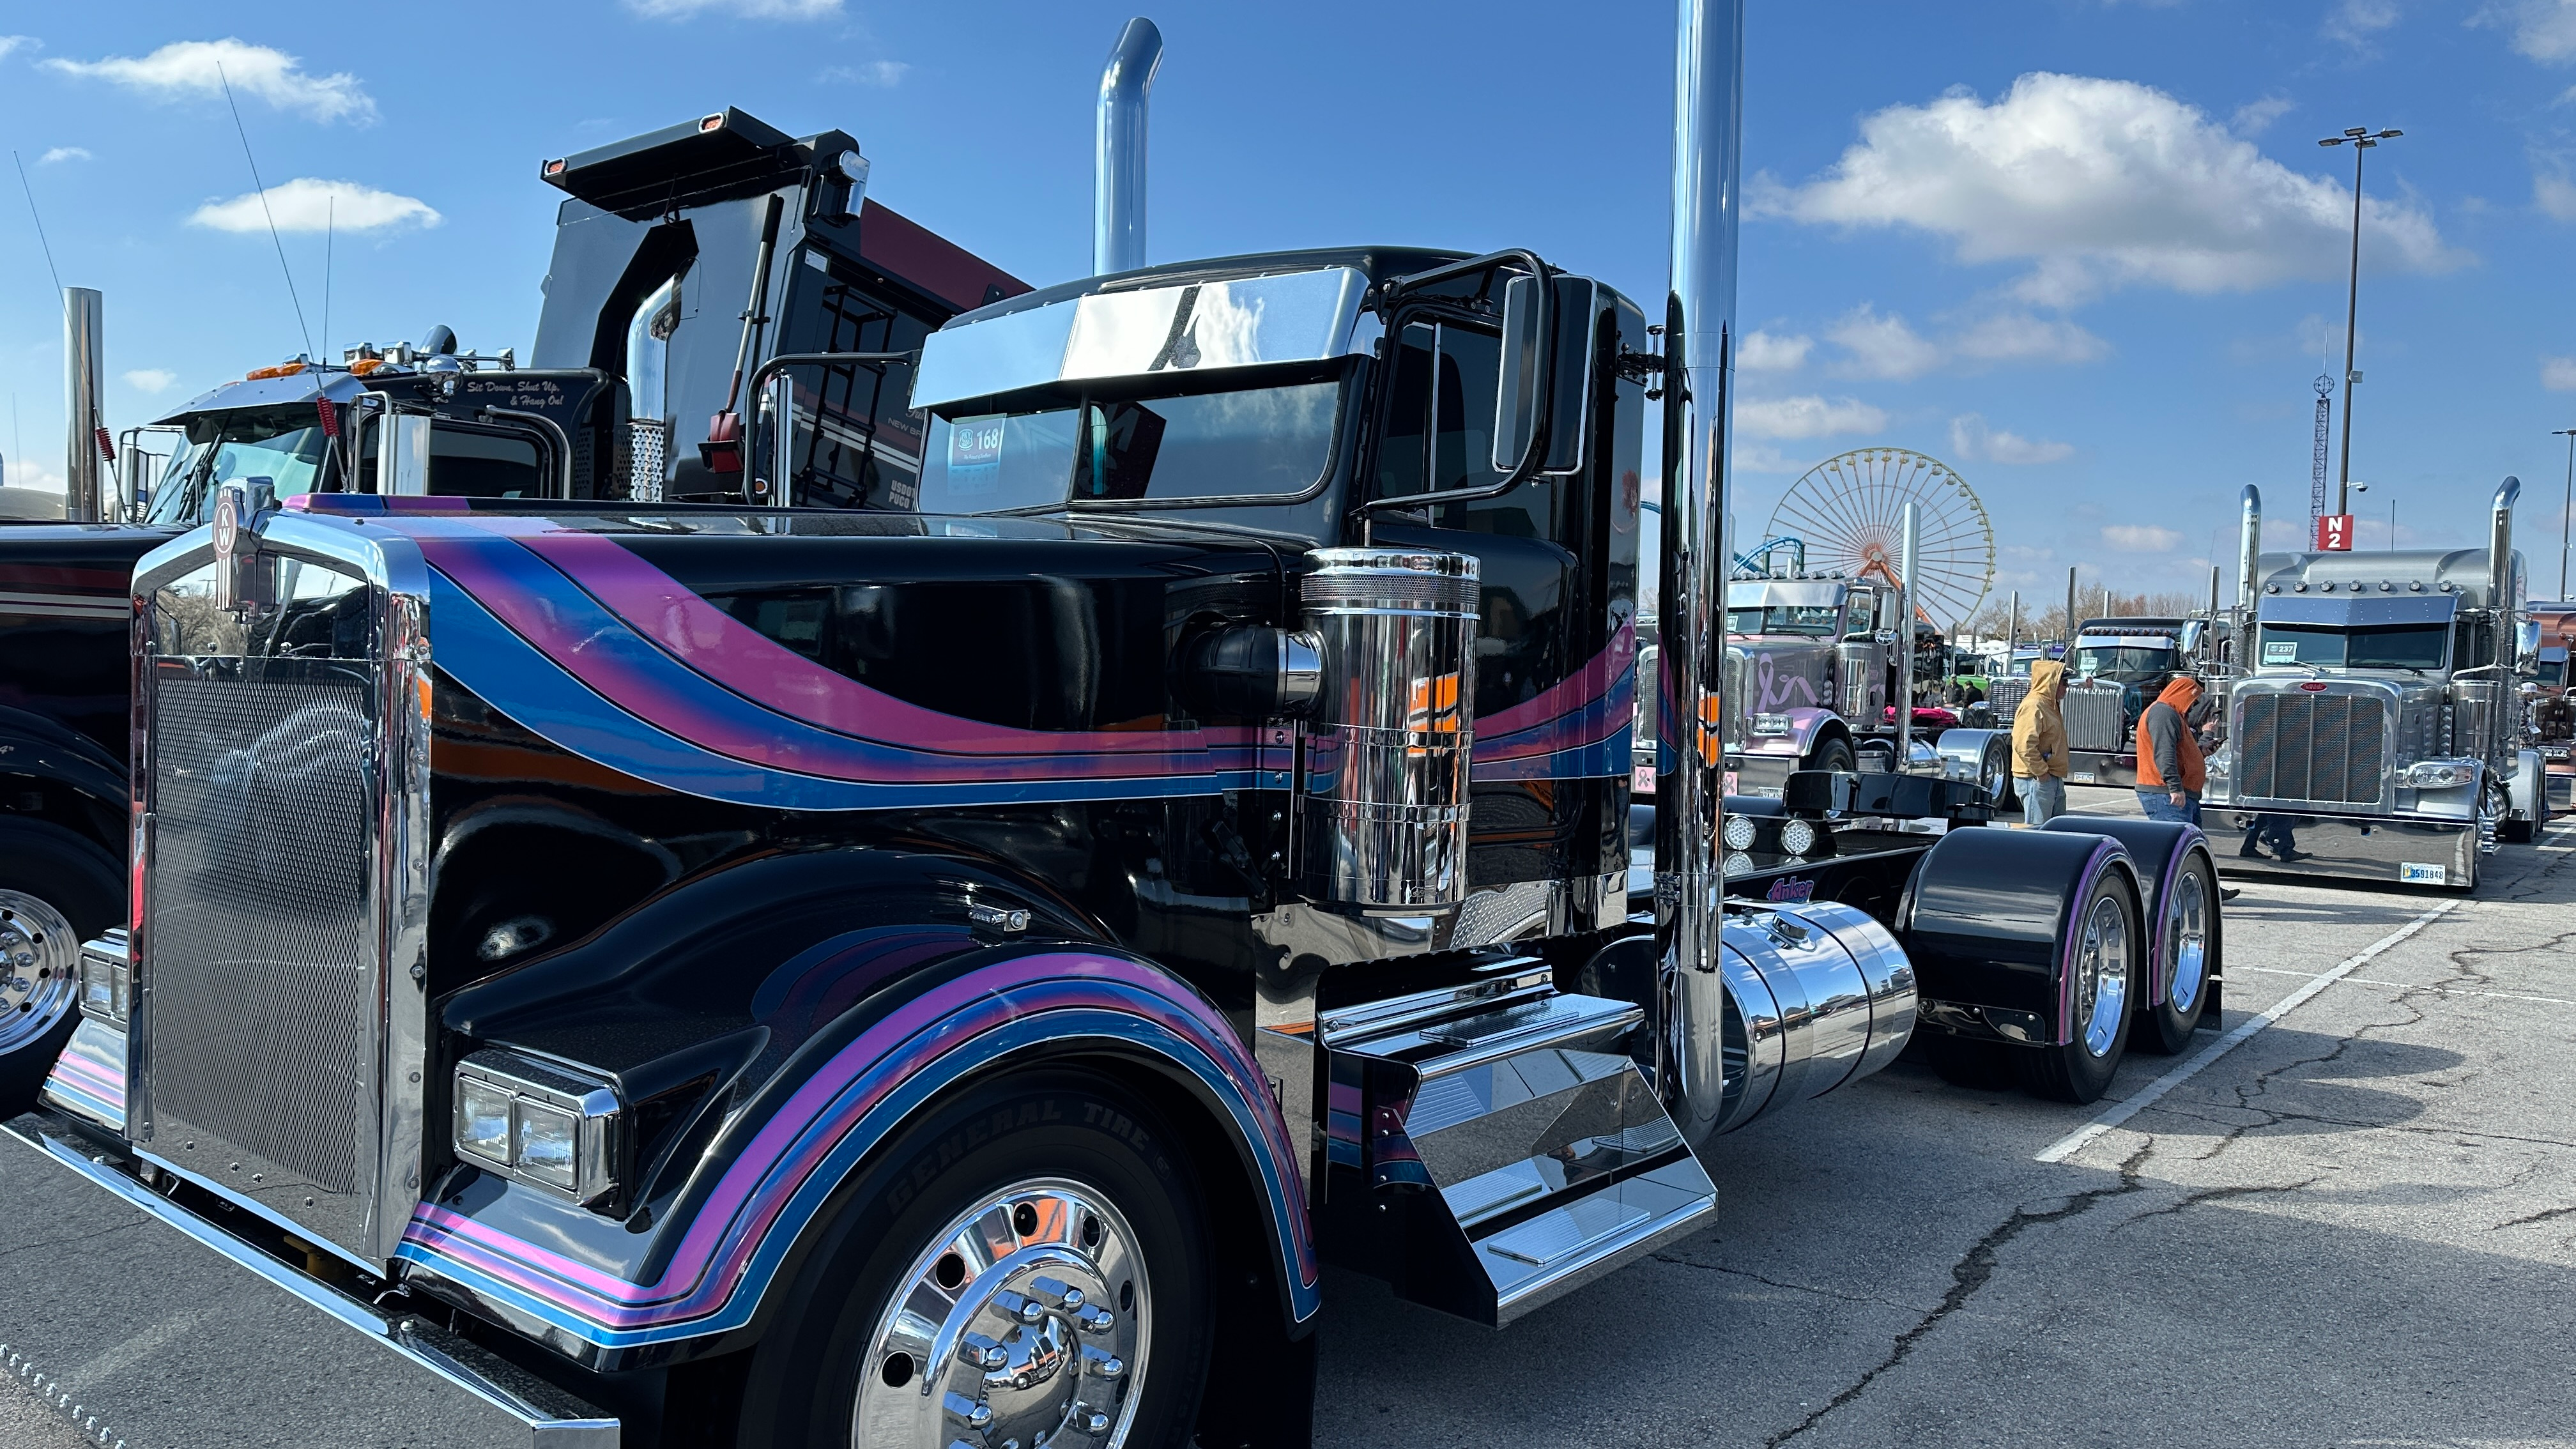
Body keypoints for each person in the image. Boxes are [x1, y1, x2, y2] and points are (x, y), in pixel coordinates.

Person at [2135, 675, 2206, 824]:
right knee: (2176, 845)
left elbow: (2180, 753)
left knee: (2189, 845)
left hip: (2176, 794)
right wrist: (2175, 788)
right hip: (2166, 795)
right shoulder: (2163, 713)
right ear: (2183, 695)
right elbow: (2164, 752)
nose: (2193, 706)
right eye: (2194, 700)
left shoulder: (2173, 715)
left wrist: (2202, 751)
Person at [2011, 657, 2070, 825]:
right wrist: (2042, 774)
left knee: (2057, 834)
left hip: (2051, 778)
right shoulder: (2034, 705)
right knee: (2038, 836)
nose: (2067, 687)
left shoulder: (2049, 705)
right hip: (2035, 780)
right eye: (2064, 683)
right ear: (2051, 682)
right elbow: (2024, 746)